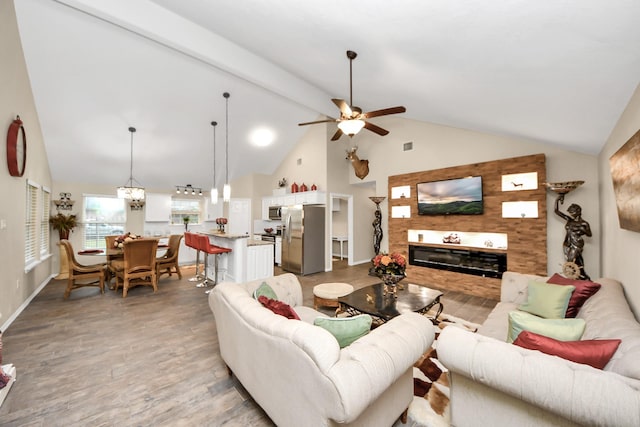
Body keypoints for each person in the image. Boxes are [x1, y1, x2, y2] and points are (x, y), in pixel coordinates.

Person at [554, 197, 592, 280]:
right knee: (577, 261)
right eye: (570, 212)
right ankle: (583, 277)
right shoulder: (569, 220)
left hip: (577, 243)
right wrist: (557, 200)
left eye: (572, 212)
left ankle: (576, 277)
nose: (570, 214)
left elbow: (589, 234)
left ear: (578, 212)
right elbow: (556, 211)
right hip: (567, 243)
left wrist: (581, 230)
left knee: (571, 262)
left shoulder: (584, 223)